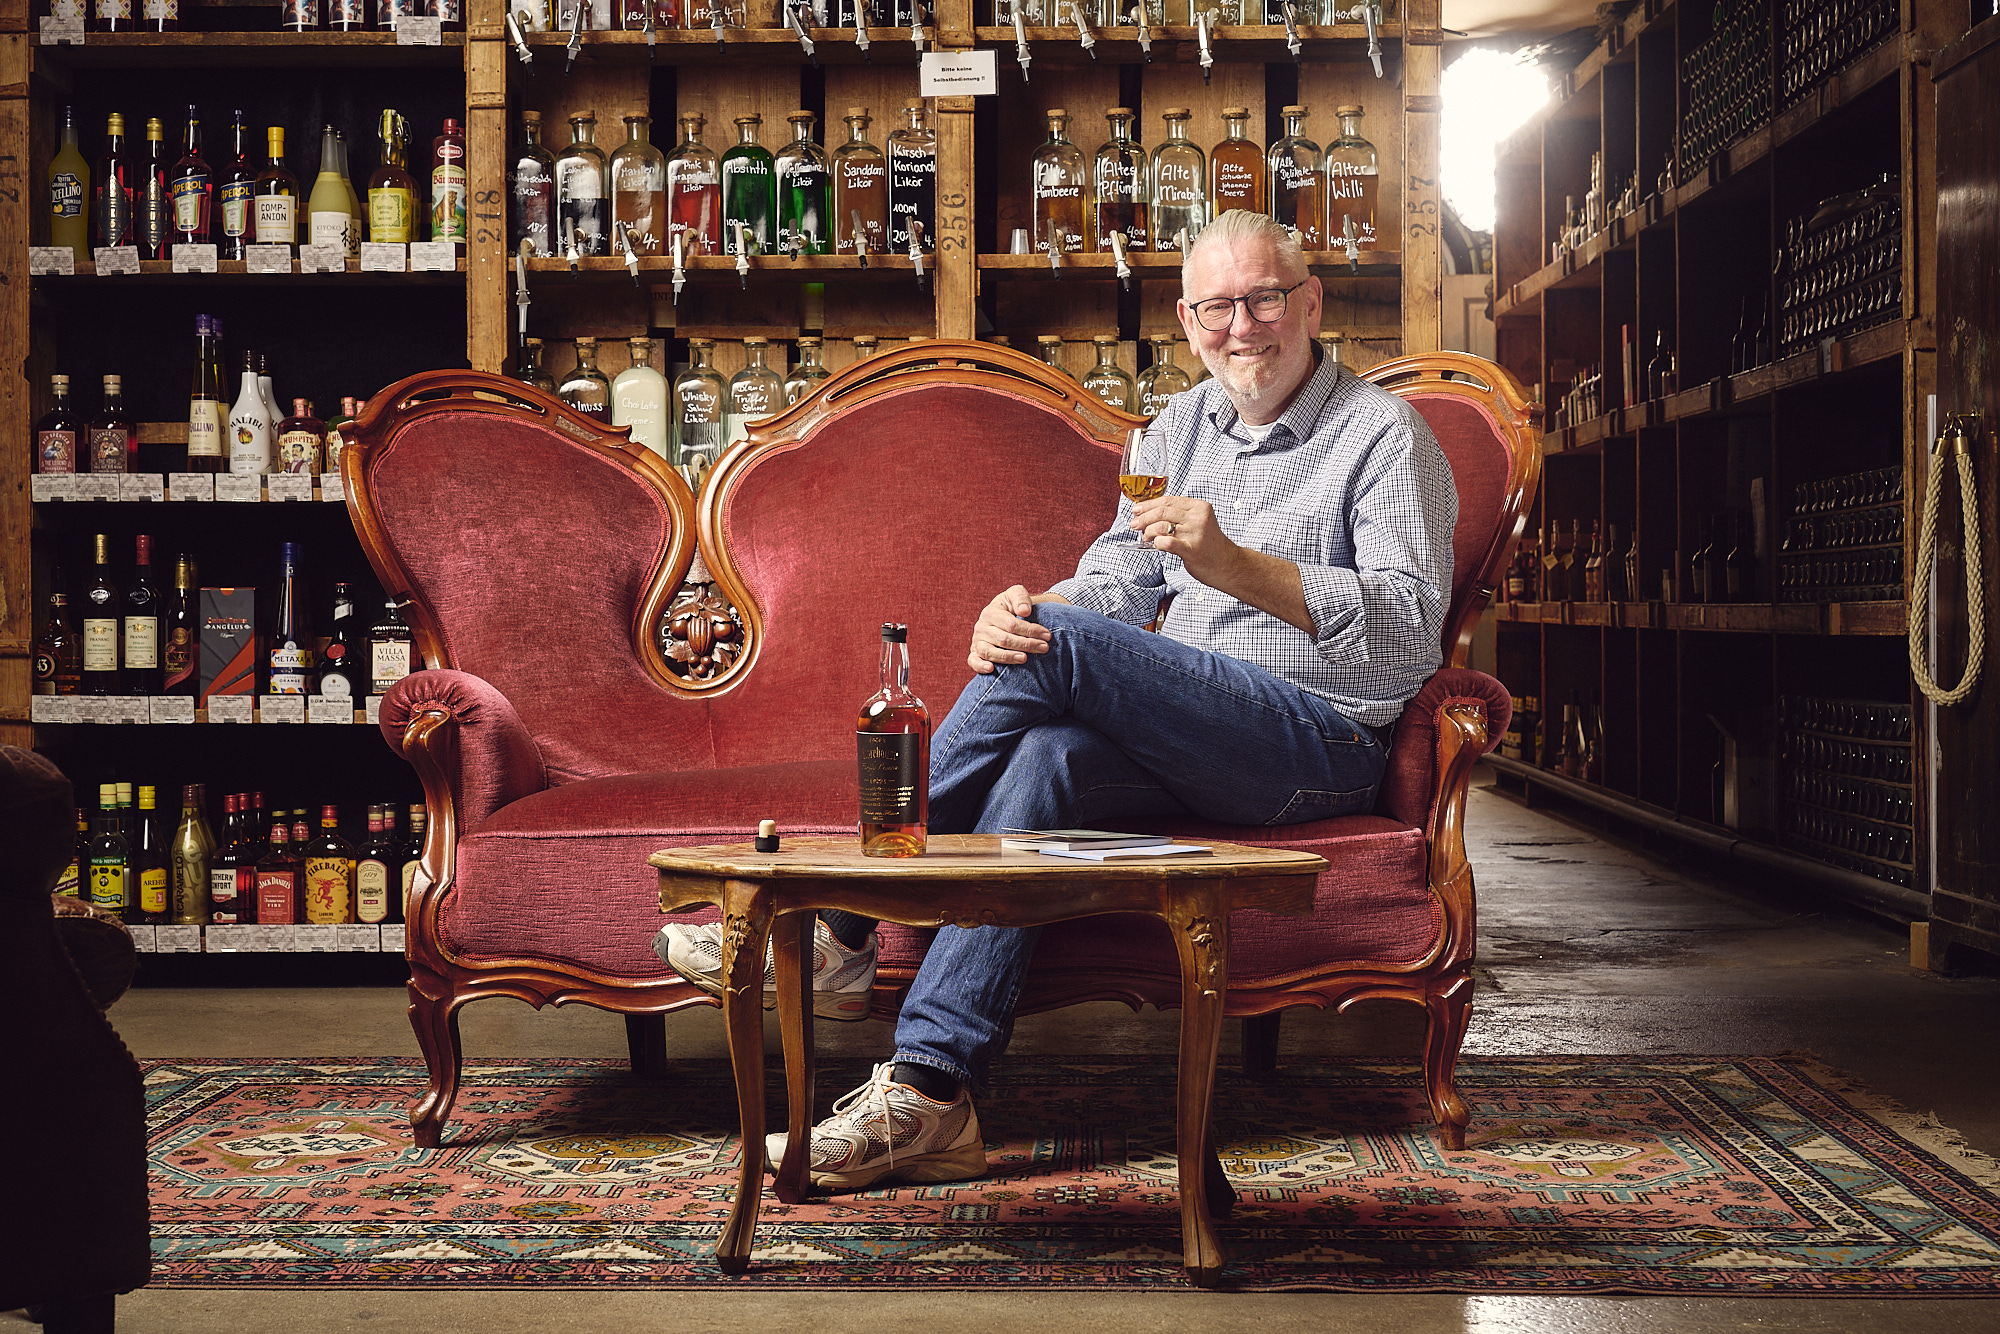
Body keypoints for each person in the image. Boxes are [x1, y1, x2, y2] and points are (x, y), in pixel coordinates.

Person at [656, 208, 1458, 1191]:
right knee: (1045, 748)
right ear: (1182, 316)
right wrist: (1027, 610)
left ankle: (836, 923)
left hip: (1314, 739)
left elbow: (1407, 638)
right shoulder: (1173, 429)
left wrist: (1233, 567)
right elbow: (1114, 585)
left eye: (1262, 299)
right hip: (1194, 732)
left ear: (1309, 301)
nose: (1240, 326)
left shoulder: (1383, 436)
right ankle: (930, 1096)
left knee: (1058, 650)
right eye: (1215, 306)